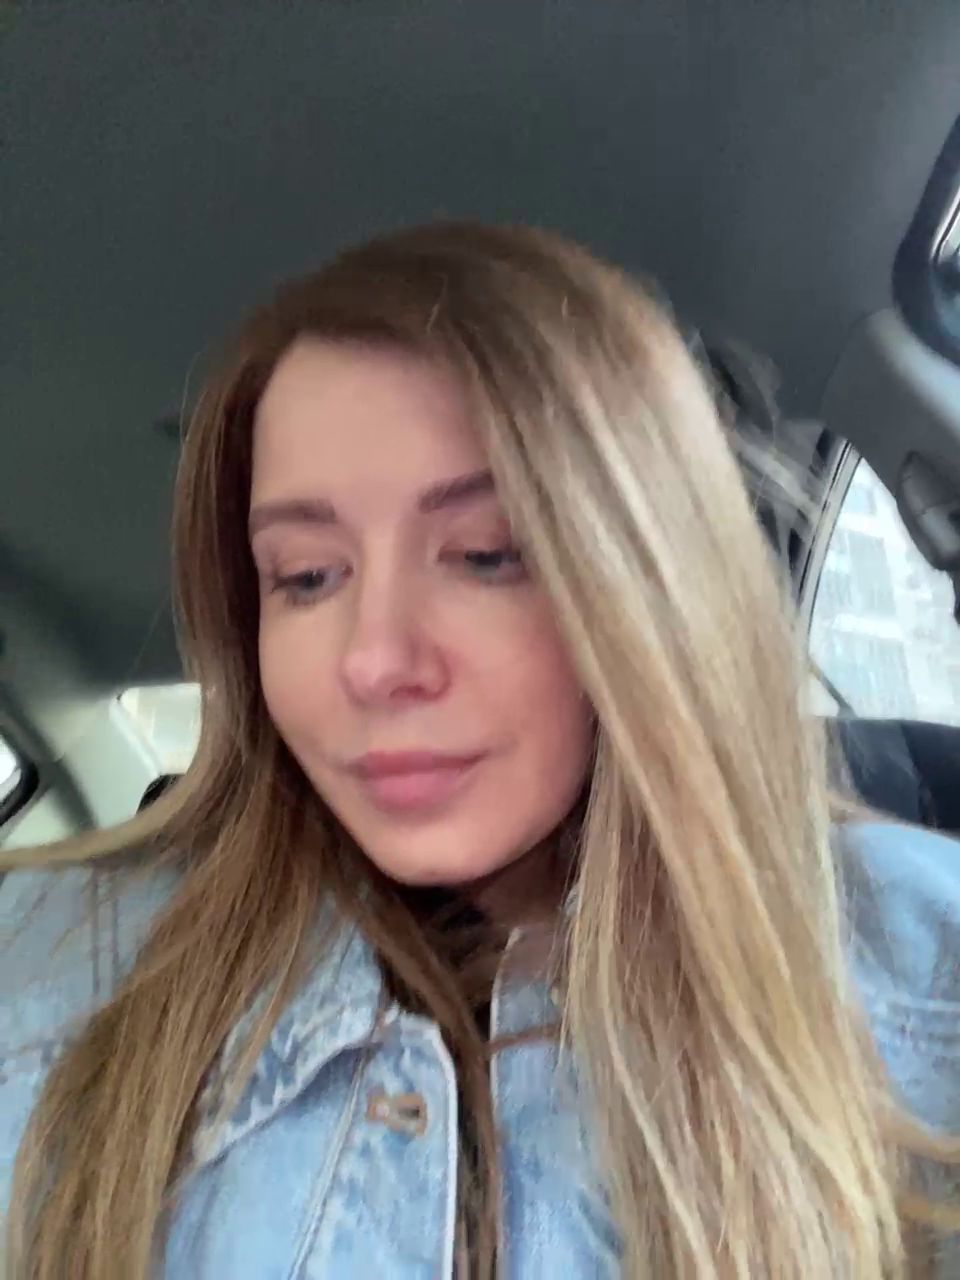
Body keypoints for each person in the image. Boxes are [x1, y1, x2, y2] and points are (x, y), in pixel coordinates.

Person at [2, 222, 960, 1280]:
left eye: (487, 553)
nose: (374, 660)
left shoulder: (926, 972)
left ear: (656, 584)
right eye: (306, 576)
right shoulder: (55, 967)